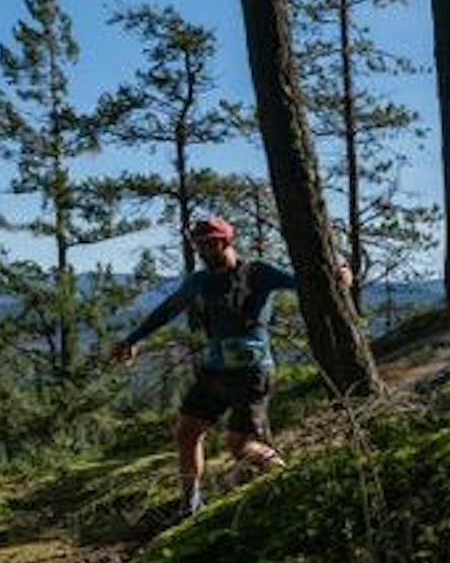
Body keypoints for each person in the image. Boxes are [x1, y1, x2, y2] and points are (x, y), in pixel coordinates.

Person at [112, 216, 349, 518]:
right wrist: (132, 340)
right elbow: (168, 310)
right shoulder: (200, 281)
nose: (204, 251)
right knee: (187, 432)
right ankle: (190, 506)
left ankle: (290, 482)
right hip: (215, 371)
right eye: (199, 246)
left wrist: (337, 272)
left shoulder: (257, 273)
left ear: (226, 241)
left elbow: (301, 280)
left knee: (240, 445)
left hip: (252, 373)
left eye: (210, 244)